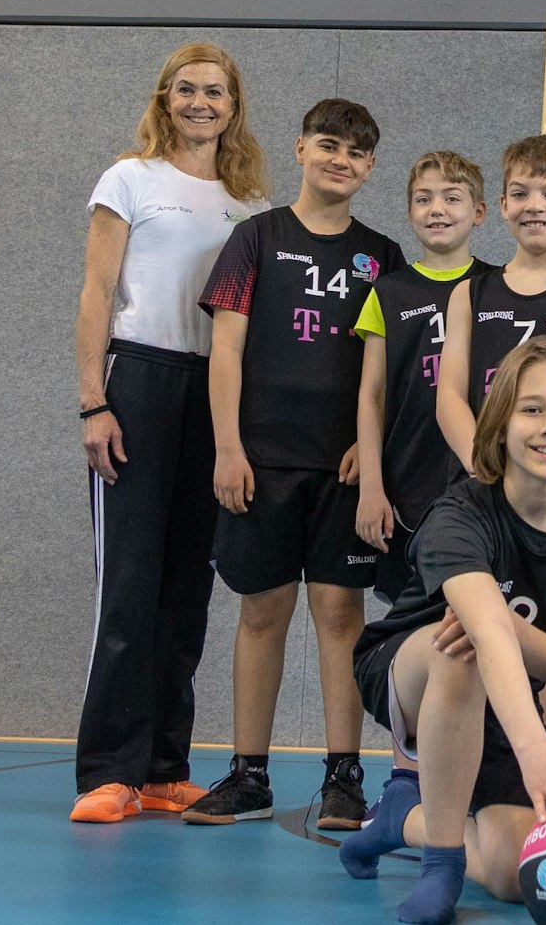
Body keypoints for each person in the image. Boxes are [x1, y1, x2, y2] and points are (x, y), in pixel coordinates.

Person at [339, 338, 546, 925]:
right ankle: (440, 863)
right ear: (498, 423)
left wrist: (500, 625)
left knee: (510, 872)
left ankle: (403, 819)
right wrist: (537, 750)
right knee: (462, 646)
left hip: (502, 694)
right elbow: (484, 634)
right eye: (532, 408)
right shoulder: (460, 514)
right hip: (411, 664)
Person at [186, 98, 405, 828]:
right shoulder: (256, 238)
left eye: (356, 152)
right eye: (328, 144)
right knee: (260, 613)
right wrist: (227, 447)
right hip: (260, 463)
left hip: (341, 471)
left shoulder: (382, 256)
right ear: (302, 147)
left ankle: (344, 777)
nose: (340, 159)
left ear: (370, 168)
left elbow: (395, 368)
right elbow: (226, 350)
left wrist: (367, 449)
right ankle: (249, 774)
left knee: (340, 612)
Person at [70, 42, 270, 823]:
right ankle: (108, 772)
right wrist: (94, 402)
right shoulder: (129, 179)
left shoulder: (248, 203)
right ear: (164, 98)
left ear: (233, 105)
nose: (199, 103)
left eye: (214, 92)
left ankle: (161, 768)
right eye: (185, 90)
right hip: (140, 384)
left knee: (188, 587)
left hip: (212, 394)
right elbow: (97, 291)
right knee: (129, 585)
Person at [435, 134, 546, 734]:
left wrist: (541, 474)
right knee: (460, 632)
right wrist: (489, 469)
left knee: (539, 644)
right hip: (485, 487)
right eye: (520, 193)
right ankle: (425, 771)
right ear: (502, 205)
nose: (534, 204)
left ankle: (532, 764)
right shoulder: (471, 291)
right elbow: (450, 397)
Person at [354, 151, 493, 603]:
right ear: (409, 212)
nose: (437, 209)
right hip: (407, 477)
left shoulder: (499, 286)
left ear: (479, 212)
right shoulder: (387, 292)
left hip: (481, 478)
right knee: (412, 618)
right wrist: (372, 486)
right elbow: (372, 396)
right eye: (423, 198)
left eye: (452, 198)